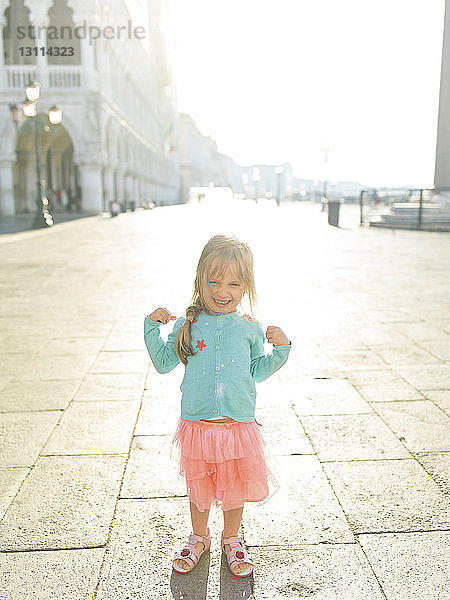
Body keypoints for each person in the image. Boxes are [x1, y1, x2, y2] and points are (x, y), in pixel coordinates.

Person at [143, 233, 292, 578]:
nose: (222, 291)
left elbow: (257, 370)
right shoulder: (188, 324)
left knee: (234, 488)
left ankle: (232, 538)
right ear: (200, 280)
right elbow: (165, 362)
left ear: (245, 287)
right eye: (213, 281)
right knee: (200, 487)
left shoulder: (250, 328)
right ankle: (199, 537)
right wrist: (153, 328)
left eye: (232, 283)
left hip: (237, 426)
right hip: (198, 426)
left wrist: (281, 349)